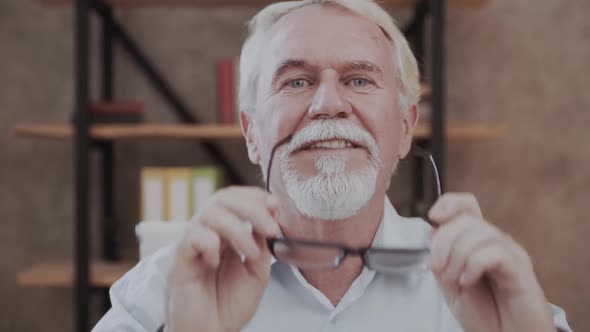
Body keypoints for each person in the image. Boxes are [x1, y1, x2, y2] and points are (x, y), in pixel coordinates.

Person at [93, 1, 572, 331]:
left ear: (406, 128)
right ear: (252, 133)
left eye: (359, 80)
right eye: (297, 81)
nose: (328, 104)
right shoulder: (167, 286)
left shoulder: (486, 286)